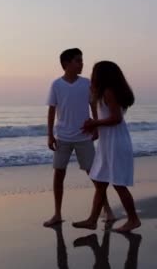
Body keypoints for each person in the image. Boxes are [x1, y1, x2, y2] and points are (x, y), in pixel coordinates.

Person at [43, 48, 115, 227]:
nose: (81, 63)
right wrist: (50, 135)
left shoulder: (86, 83)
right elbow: (52, 110)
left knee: (94, 173)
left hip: (83, 136)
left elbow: (93, 105)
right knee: (59, 173)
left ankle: (107, 209)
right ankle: (57, 214)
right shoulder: (56, 85)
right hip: (63, 136)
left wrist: (96, 126)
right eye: (77, 60)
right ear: (66, 64)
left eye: (82, 60)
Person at [72, 61, 140, 232]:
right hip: (108, 142)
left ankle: (133, 219)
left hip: (115, 142)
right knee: (101, 181)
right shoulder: (106, 92)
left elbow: (116, 118)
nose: (92, 76)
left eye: (95, 73)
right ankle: (92, 220)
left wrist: (95, 122)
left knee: (118, 183)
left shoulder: (109, 92)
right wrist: (96, 125)